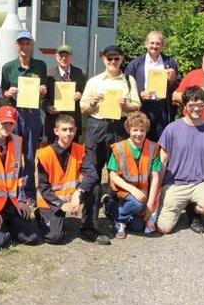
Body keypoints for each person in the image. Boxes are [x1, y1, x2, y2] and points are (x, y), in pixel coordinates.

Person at [79, 45, 141, 241]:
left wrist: (126, 105)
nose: (113, 62)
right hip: (98, 126)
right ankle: (89, 224)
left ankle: (118, 217)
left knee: (120, 174)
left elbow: (137, 105)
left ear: (122, 59)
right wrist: (93, 103)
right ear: (103, 59)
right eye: (109, 58)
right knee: (93, 174)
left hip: (120, 127)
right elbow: (83, 109)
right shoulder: (94, 81)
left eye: (116, 58)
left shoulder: (129, 81)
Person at [157, 86, 204, 234]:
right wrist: (157, 187)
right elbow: (162, 159)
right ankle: (178, 204)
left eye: (200, 105)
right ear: (185, 107)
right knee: (164, 228)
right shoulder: (172, 128)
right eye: (192, 106)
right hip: (175, 184)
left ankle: (194, 207)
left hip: (201, 183)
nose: (196, 109)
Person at [35, 115, 106, 245]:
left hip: (71, 196)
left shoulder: (80, 149)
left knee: (95, 187)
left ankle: (88, 228)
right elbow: (43, 188)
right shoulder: (44, 154)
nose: (69, 133)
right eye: (64, 129)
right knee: (55, 237)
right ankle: (41, 215)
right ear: (56, 131)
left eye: (71, 129)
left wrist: (78, 192)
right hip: (50, 200)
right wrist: (61, 204)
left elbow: (92, 175)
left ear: (76, 130)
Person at [0, 106, 40, 249]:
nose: (7, 126)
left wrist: (22, 200)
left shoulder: (18, 141)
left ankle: (9, 223)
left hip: (12, 202)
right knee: (1, 243)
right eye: (3, 122)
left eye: (11, 123)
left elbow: (20, 175)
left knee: (32, 237)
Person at [1, 30, 47, 205]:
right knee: (12, 155)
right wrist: (9, 92)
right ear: (16, 46)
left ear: (32, 45)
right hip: (15, 114)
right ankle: (12, 190)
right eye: (21, 43)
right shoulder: (8, 67)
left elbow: (43, 92)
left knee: (29, 156)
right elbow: (3, 92)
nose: (24, 47)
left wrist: (44, 91)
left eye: (27, 43)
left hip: (33, 114)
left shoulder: (40, 65)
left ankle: (28, 194)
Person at [102, 111, 162, 239]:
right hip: (123, 189)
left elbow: (155, 177)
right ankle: (118, 218)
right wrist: (133, 190)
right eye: (135, 130)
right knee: (137, 203)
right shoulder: (119, 148)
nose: (139, 134)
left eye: (142, 130)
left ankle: (111, 206)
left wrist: (150, 205)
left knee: (138, 227)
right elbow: (113, 175)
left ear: (147, 130)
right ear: (128, 130)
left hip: (142, 191)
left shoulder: (153, 148)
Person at [124, 31, 181, 142]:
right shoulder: (135, 64)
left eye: (158, 43)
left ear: (162, 45)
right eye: (152, 43)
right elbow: (126, 85)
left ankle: (159, 160)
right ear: (146, 44)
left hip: (163, 108)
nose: (154, 46)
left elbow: (177, 85)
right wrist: (139, 94)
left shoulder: (170, 62)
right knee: (143, 140)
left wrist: (172, 80)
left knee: (162, 141)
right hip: (143, 108)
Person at [42, 44, 86, 144]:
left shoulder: (79, 73)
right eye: (61, 55)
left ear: (71, 57)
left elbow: (86, 93)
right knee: (54, 154)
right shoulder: (49, 75)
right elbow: (43, 98)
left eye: (67, 55)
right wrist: (48, 108)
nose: (64, 58)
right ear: (56, 57)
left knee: (73, 155)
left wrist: (80, 95)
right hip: (54, 121)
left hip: (73, 122)